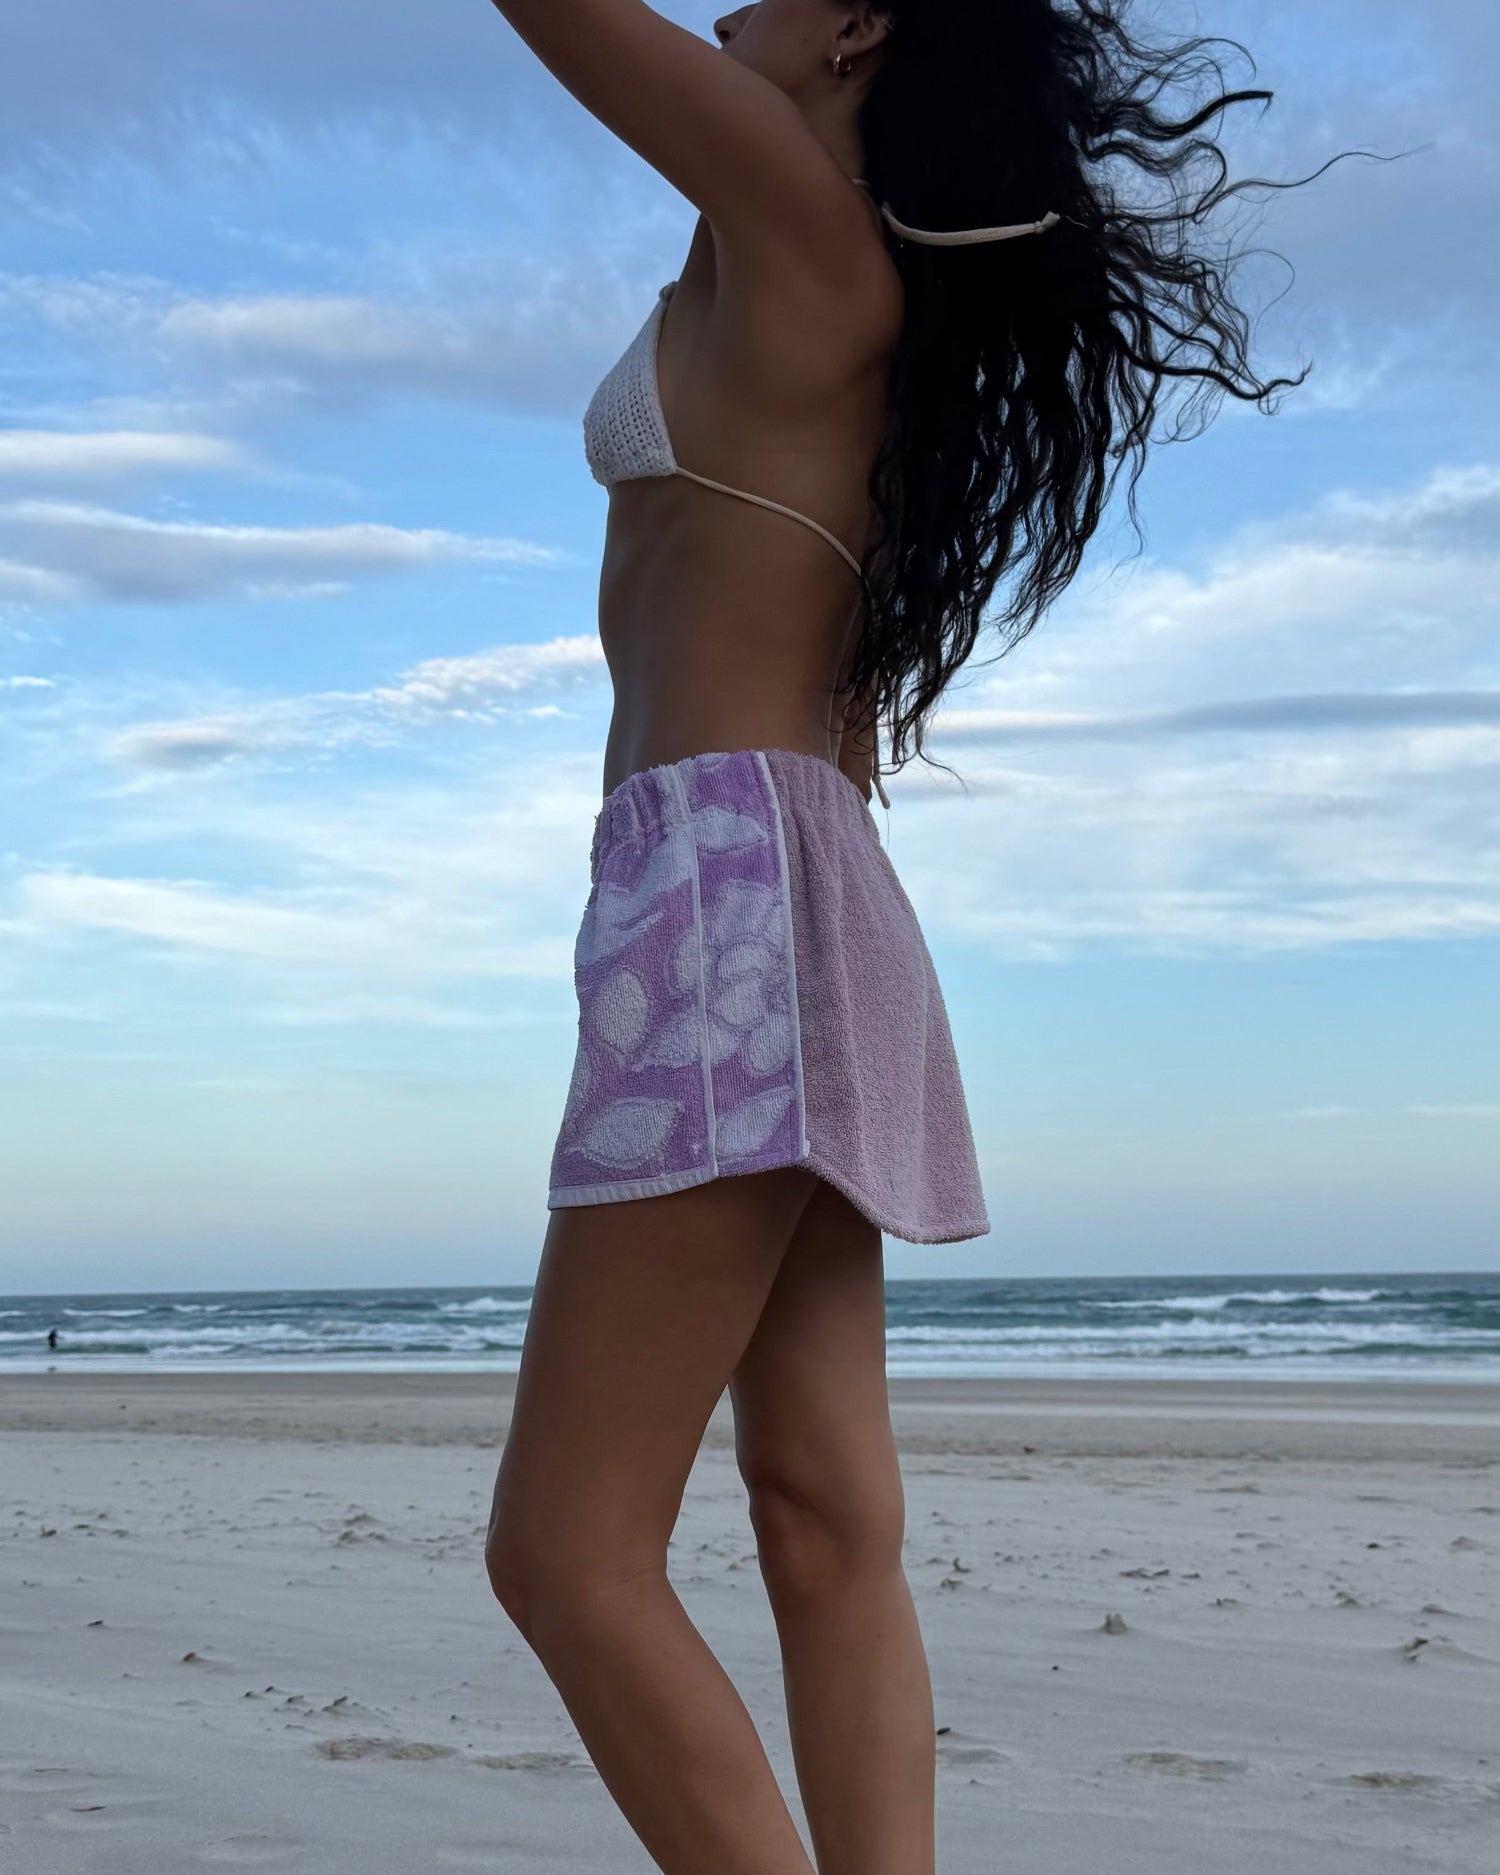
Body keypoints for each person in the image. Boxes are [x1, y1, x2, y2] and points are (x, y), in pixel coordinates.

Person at [482, 5, 1333, 1870]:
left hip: (723, 892)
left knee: (564, 1552)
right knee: (818, 1519)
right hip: (795, 882)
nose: (732, 1)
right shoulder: (792, 241)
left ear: (862, 25)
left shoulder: (797, 212)